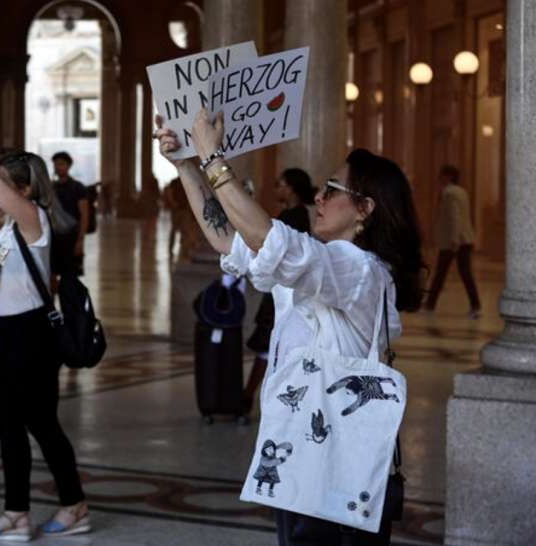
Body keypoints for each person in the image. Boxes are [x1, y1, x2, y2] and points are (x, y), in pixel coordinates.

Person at [155, 108, 424, 545]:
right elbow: (230, 239)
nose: (318, 197)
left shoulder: (361, 271)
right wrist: (187, 165)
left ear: (365, 209)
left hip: (337, 465)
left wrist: (211, 155)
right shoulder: (319, 264)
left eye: (332, 189)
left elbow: (270, 241)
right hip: (299, 457)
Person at [0, 128, 89, 541]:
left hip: (33, 337)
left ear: (25, 189)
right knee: (8, 425)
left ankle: (75, 505)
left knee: (42, 424)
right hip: (9, 333)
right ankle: (17, 513)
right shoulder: (10, 230)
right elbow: (19, 282)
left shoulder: (35, 219)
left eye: (4, 186)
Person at [243, 168, 316, 413]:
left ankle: (249, 397)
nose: (276, 189)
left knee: (269, 347)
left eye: (280, 184)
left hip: (283, 293)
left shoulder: (293, 217)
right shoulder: (300, 215)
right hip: (284, 291)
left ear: (291, 187)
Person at [423, 164, 481, 317]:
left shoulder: (449, 193)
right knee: (461, 273)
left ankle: (430, 305)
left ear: (448, 176)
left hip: (454, 241)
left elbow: (454, 217)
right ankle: (475, 305)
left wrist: (454, 240)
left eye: (442, 175)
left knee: (443, 273)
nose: (439, 178)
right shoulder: (461, 191)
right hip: (463, 239)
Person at [51, 151, 89, 277]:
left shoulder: (78, 188)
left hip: (71, 238)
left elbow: (84, 215)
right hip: (54, 238)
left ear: (69, 166)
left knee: (70, 276)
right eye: (56, 164)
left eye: (61, 164)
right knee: (52, 273)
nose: (58, 167)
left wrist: (80, 241)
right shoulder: (51, 188)